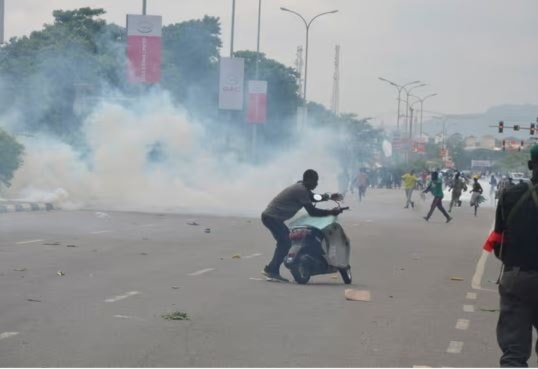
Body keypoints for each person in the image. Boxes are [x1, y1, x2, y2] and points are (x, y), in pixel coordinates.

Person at [482, 145, 538, 367]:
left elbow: (498, 245)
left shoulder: (510, 196)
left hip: (518, 280)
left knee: (514, 355)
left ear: (529, 165)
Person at [261, 169, 342, 282]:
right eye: (315, 181)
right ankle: (272, 270)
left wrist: (327, 197)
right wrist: (330, 212)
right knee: (285, 242)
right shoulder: (301, 190)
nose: (316, 184)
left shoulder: (302, 187)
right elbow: (312, 212)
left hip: (272, 218)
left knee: (284, 242)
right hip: (271, 218)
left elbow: (313, 197)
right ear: (308, 180)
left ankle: (272, 269)